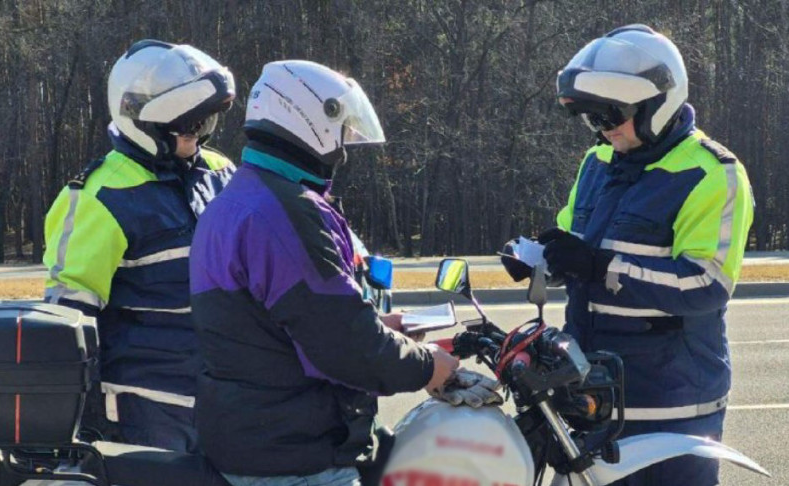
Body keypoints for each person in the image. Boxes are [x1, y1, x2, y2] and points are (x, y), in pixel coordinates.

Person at [189, 60, 497, 486]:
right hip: (293, 459)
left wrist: (379, 328)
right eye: (340, 133)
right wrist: (429, 367)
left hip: (254, 441)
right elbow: (344, 344)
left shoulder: (241, 197)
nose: (343, 150)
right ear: (308, 119)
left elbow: (285, 326)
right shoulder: (285, 211)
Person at [503, 25, 753, 485]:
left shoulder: (712, 174)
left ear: (660, 104)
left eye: (611, 114)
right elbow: (574, 238)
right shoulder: (598, 163)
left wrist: (603, 268)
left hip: (671, 403)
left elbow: (705, 285)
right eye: (592, 118)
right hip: (594, 390)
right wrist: (539, 256)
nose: (603, 128)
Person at [43, 39, 236, 452]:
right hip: (146, 410)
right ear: (144, 121)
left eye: (205, 124)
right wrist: (85, 422)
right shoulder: (98, 196)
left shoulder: (221, 172)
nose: (199, 137)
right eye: (189, 126)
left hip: (228, 396)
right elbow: (70, 322)